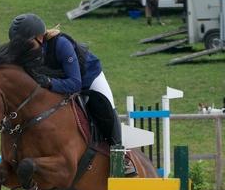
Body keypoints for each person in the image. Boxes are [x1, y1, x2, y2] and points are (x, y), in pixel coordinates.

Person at [8, 13, 136, 176]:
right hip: (60, 82)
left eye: (25, 44)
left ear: (39, 38)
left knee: (107, 108)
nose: (22, 50)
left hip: (88, 78)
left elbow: (75, 83)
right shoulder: (29, 52)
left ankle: (121, 158)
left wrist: (49, 82)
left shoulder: (61, 44)